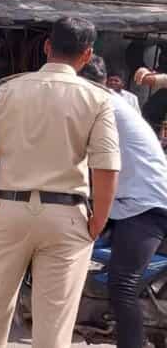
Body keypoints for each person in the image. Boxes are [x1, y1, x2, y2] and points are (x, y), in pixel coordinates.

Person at [0, 17, 119, 348]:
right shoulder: (97, 98)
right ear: (87, 55)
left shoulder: (8, 88)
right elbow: (106, 167)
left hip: (10, 209)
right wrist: (98, 221)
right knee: (53, 322)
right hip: (66, 215)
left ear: (47, 47)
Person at [80, 56, 167, 348]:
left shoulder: (99, 105)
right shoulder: (111, 102)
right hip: (132, 201)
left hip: (145, 204)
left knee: (122, 284)